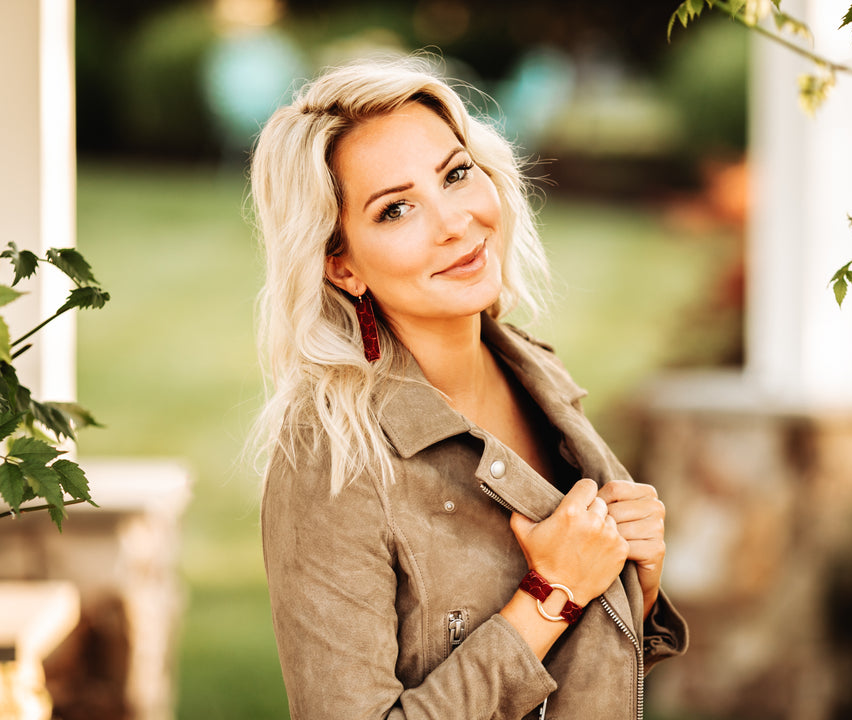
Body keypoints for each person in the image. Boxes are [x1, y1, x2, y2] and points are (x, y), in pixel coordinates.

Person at [250, 54, 688, 720]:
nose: (454, 222)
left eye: (455, 174)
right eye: (395, 210)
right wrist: (551, 594)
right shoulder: (333, 459)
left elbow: (584, 674)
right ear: (341, 265)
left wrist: (637, 580)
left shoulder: (537, 376)